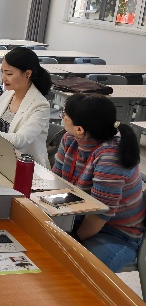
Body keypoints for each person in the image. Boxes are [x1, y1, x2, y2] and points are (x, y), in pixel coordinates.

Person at [53, 94, 145, 271]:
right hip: (77, 216)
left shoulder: (111, 158)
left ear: (80, 129)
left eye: (65, 115)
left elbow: (100, 215)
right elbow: (56, 181)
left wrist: (72, 239)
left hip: (116, 233)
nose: (63, 118)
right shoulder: (70, 139)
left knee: (73, 269)